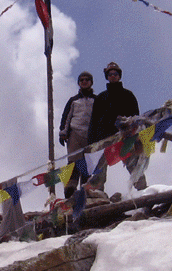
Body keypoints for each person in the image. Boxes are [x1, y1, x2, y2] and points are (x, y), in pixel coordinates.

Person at [87, 61, 147, 190]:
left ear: (119, 76)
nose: (113, 76)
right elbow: (94, 121)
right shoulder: (101, 98)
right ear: (107, 77)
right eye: (110, 74)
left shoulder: (128, 95)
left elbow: (136, 117)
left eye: (115, 74)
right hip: (104, 138)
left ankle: (144, 192)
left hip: (125, 136)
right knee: (99, 169)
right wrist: (90, 142)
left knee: (134, 165)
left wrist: (135, 135)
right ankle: (98, 196)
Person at [58, 71, 96, 197]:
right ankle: (70, 190)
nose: (84, 82)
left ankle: (86, 191)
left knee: (88, 165)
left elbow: (100, 118)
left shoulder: (96, 100)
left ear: (91, 82)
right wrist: (63, 132)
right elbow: (66, 117)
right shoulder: (74, 100)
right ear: (79, 83)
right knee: (73, 163)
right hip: (75, 134)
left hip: (91, 135)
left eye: (87, 79)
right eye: (81, 80)